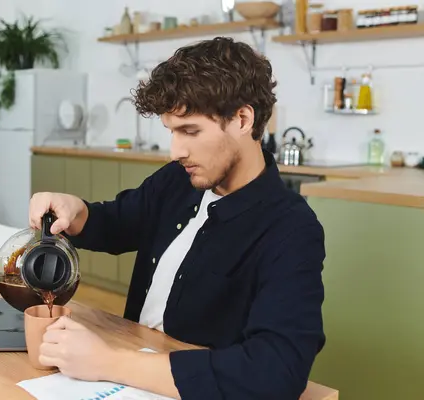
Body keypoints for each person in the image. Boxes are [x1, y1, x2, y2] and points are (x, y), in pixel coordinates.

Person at [28, 37, 325, 399]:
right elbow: (119, 223)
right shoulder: (177, 180)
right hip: (128, 373)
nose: (176, 151)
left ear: (243, 119)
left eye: (190, 131)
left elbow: (276, 371)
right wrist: (77, 211)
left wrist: (110, 362)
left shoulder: (291, 228)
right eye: (171, 131)